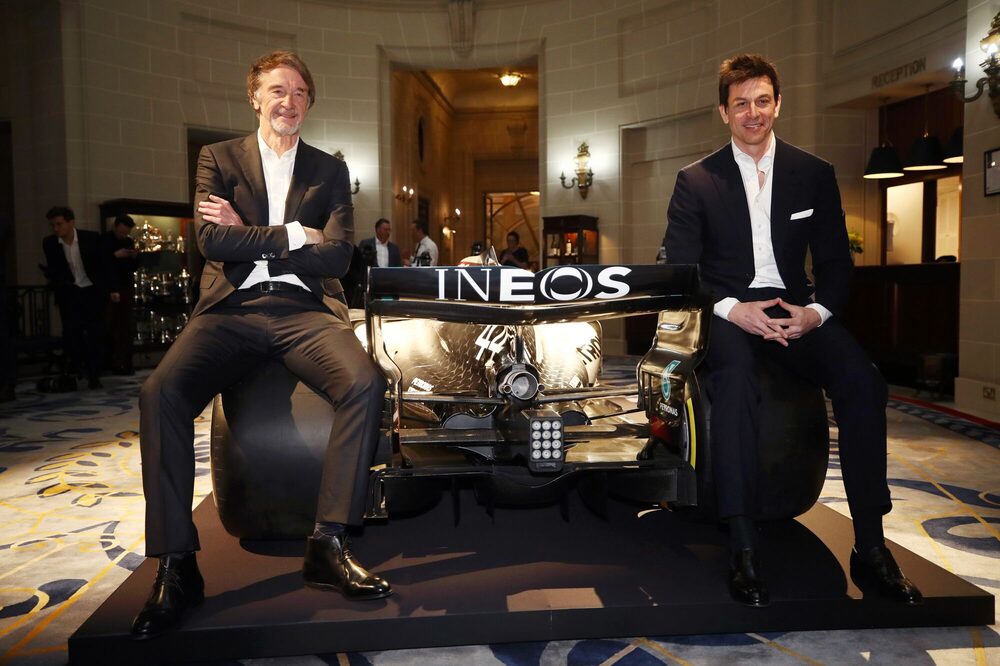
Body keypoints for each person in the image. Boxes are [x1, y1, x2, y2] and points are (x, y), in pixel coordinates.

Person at [132, 50, 390, 640]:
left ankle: (328, 543)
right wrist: (296, 233)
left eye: (299, 93)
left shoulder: (329, 169)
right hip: (232, 311)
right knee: (160, 394)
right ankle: (177, 565)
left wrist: (248, 236)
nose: (288, 102)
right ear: (255, 97)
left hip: (305, 311)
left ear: (309, 103)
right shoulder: (218, 158)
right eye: (278, 90)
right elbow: (211, 242)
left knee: (365, 383)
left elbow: (338, 256)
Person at [663, 54, 921, 608]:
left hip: (796, 310)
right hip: (730, 313)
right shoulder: (696, 180)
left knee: (864, 383)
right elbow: (682, 269)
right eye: (741, 104)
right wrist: (733, 309)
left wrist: (816, 313)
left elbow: (835, 263)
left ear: (778, 104)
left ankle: (871, 545)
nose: (752, 113)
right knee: (735, 385)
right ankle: (743, 544)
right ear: (724, 113)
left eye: (762, 101)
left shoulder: (814, 173)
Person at [42, 206, 107, 389]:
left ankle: (94, 374)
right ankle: (78, 369)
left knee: (95, 334)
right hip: (70, 294)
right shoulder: (50, 243)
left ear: (71, 223)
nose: (56, 229)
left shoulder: (91, 238)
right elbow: (56, 269)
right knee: (72, 334)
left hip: (91, 292)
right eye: (53, 225)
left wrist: (107, 290)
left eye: (59, 224)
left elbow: (102, 265)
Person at [102, 214, 138, 375]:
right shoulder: (104, 240)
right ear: (115, 226)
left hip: (126, 286)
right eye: (121, 232)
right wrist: (115, 256)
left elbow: (133, 267)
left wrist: (133, 257)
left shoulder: (128, 241)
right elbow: (101, 264)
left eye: (126, 233)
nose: (123, 236)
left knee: (125, 326)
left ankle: (124, 362)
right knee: (109, 326)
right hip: (110, 288)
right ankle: (109, 362)